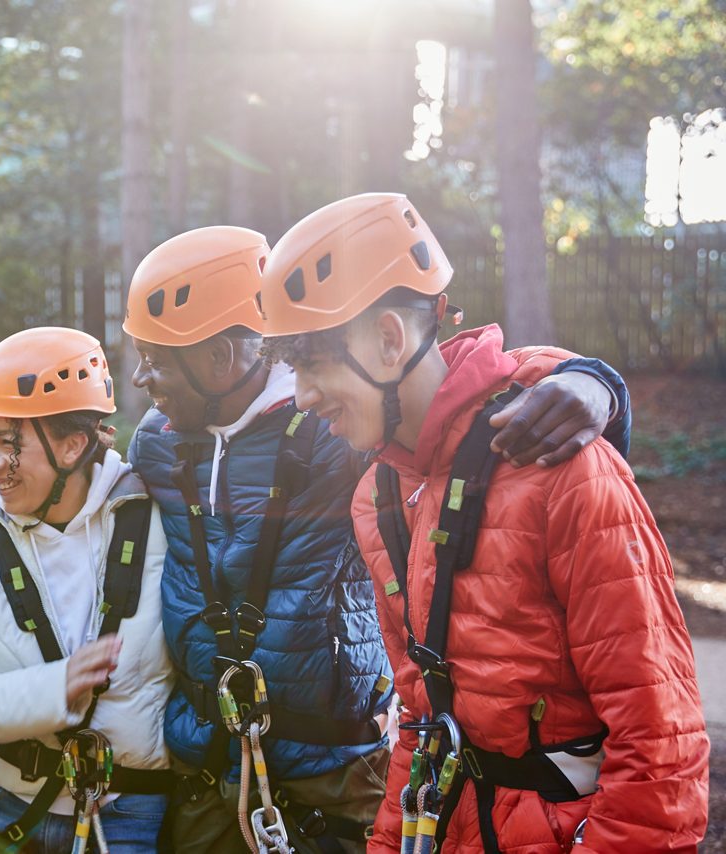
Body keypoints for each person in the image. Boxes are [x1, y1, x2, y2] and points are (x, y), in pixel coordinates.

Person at [122, 225, 631, 853]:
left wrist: (588, 380)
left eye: (156, 356)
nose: (143, 377)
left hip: (334, 762)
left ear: (220, 359)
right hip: (206, 756)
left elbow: (448, 396)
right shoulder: (157, 443)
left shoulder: (339, 434)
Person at [258, 192, 708, 851]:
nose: (300, 395)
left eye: (314, 362)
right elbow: (418, 720)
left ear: (389, 339)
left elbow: (659, 740)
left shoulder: (565, 473)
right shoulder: (376, 498)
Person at [0, 327, 173, 853]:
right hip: (8, 808)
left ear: (72, 444)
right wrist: (54, 689)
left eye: (9, 442)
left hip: (131, 816)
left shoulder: (161, 532)